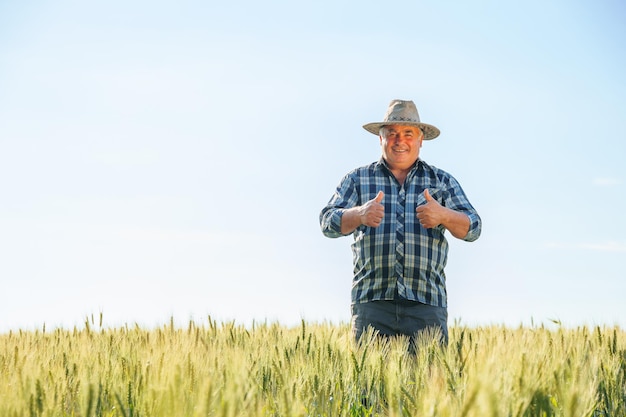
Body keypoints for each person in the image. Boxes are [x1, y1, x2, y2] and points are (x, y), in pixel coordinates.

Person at [319, 99, 481, 347]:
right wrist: (359, 214)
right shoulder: (357, 179)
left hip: (426, 306)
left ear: (420, 140)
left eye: (408, 133)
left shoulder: (442, 181)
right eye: (392, 133)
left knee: (428, 384)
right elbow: (327, 222)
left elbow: (473, 228)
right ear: (380, 138)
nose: (400, 140)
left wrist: (444, 215)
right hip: (372, 305)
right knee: (370, 385)